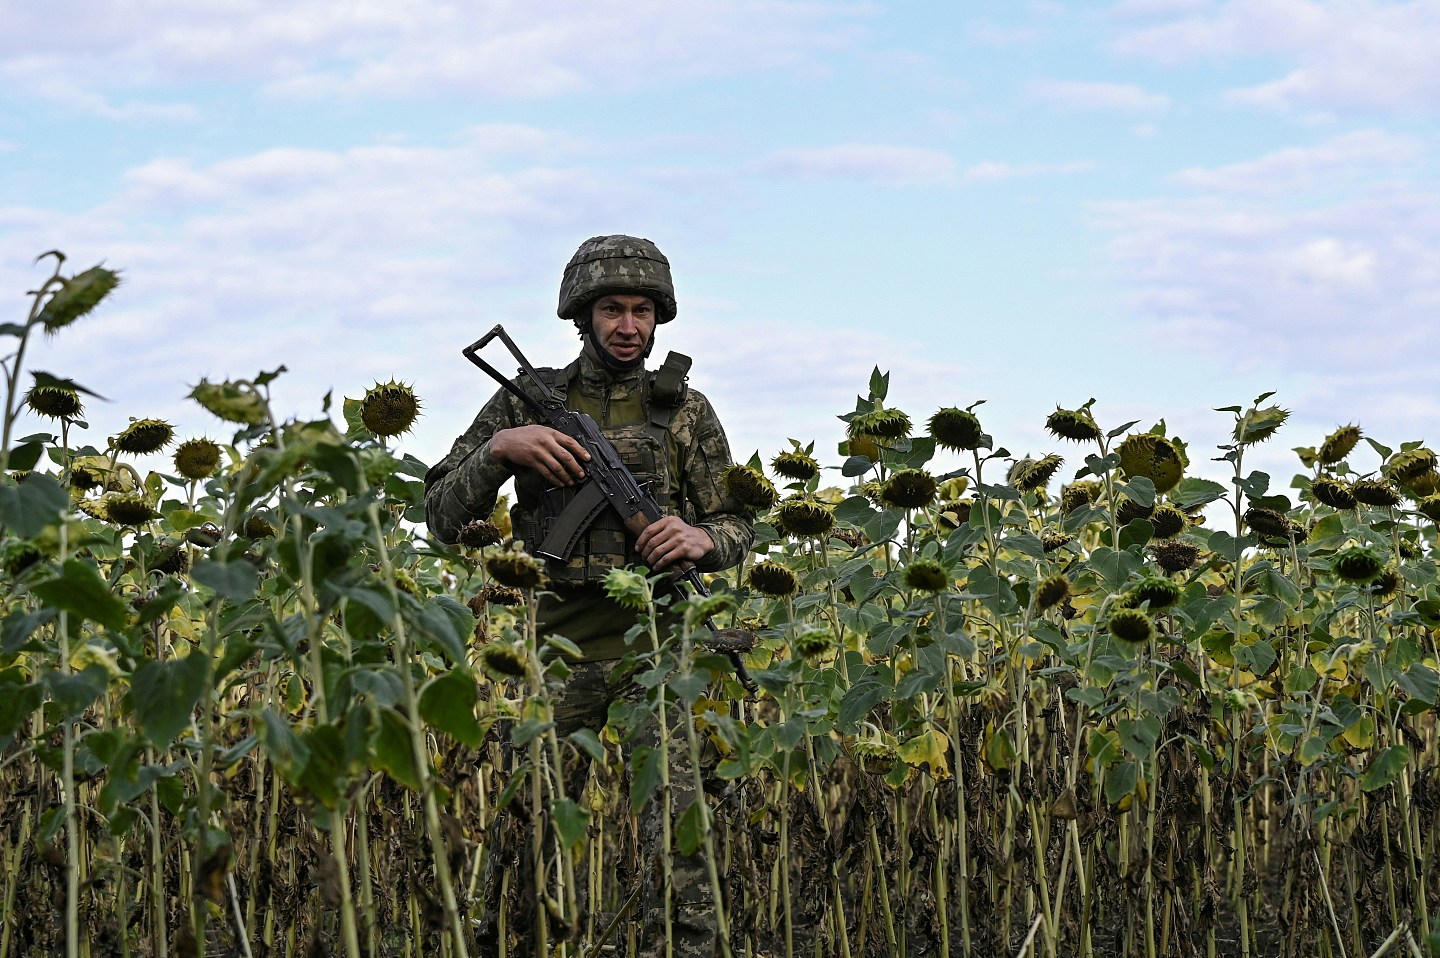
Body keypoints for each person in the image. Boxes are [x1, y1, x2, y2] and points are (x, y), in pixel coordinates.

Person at [425, 234, 754, 957]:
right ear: (583, 314)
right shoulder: (524, 403)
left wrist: (701, 542)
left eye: (641, 310)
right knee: (527, 829)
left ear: (659, 317)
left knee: (678, 834)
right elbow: (442, 517)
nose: (628, 326)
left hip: (659, 643)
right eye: (612, 308)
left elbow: (736, 524)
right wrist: (500, 453)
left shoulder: (686, 411)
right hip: (557, 645)